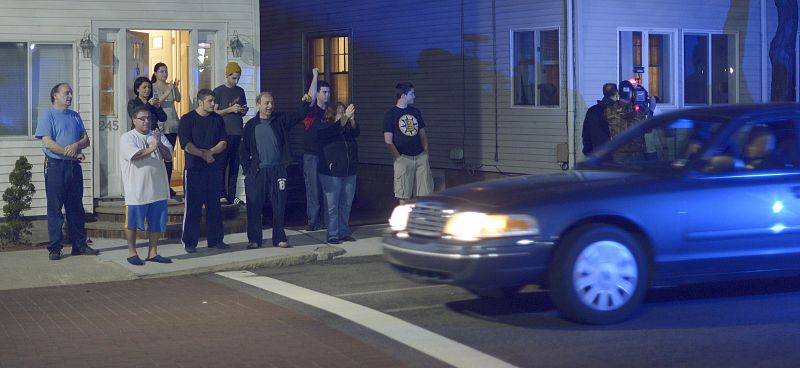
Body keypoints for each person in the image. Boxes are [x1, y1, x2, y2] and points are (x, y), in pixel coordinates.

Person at [239, 90, 311, 249]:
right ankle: (254, 240)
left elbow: (299, 115)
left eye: (272, 103)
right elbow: (243, 150)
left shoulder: (280, 120)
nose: (270, 106)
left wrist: (305, 102)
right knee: (254, 207)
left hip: (278, 171)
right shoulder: (251, 126)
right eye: (266, 103)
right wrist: (247, 169)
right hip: (257, 172)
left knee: (279, 206)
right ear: (258, 104)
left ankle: (279, 238)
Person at [35, 83, 98, 260]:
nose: (69, 96)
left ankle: (79, 245)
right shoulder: (48, 116)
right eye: (66, 93)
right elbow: (47, 142)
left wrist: (77, 146)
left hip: (73, 168)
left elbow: (85, 140)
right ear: (55, 95)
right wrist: (69, 153)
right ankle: (55, 247)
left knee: (76, 207)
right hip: (56, 166)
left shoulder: (75, 116)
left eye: (70, 93)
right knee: (55, 208)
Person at [119, 106, 174, 265]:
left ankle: (153, 252)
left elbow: (169, 157)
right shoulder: (127, 137)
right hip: (137, 190)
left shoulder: (157, 135)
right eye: (142, 118)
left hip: (157, 189)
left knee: (156, 223)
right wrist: (152, 147)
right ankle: (132, 252)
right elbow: (135, 156)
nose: (146, 121)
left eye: (148, 118)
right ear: (133, 120)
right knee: (132, 224)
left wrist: (159, 144)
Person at [178, 89, 228, 253]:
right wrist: (202, 154)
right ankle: (190, 242)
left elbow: (223, 142)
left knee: (214, 205)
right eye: (210, 101)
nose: (214, 104)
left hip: (213, 168)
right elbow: (186, 144)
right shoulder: (187, 119)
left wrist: (211, 152)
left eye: (214, 101)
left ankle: (215, 239)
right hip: (194, 169)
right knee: (193, 206)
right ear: (200, 102)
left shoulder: (217, 120)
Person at [383, 82, 433, 204]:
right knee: (404, 195)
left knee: (424, 193)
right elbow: (388, 140)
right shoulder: (391, 115)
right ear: (404, 95)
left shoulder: (415, 112)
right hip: (403, 158)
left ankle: (420, 220)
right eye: (412, 93)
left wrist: (425, 153)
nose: (414, 96)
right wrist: (399, 158)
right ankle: (404, 221)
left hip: (420, 157)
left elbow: (423, 134)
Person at [317, 102, 359, 244]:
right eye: (341, 111)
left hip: (349, 171)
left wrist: (352, 119)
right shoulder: (325, 127)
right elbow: (334, 130)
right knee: (332, 205)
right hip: (331, 172)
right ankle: (333, 234)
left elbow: (356, 132)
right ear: (333, 114)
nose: (344, 114)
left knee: (346, 203)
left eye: (344, 111)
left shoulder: (345, 128)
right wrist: (346, 117)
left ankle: (343, 232)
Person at [214, 62, 249, 205]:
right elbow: (214, 112)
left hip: (237, 131)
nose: (236, 81)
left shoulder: (240, 91)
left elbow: (243, 109)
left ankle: (232, 194)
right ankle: (221, 193)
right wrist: (229, 110)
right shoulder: (218, 91)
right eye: (234, 78)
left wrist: (243, 110)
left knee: (235, 165)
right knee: (222, 163)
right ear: (227, 75)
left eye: (238, 78)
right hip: (224, 132)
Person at [301, 68, 328, 230]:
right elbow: (309, 99)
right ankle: (313, 220)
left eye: (328, 92)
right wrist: (315, 76)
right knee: (313, 188)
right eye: (324, 92)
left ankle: (326, 219)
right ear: (318, 93)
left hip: (327, 154)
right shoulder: (312, 112)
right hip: (311, 154)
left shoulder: (330, 112)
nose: (327, 95)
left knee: (327, 189)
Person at [151, 62, 181, 199]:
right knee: (160, 156)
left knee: (169, 156)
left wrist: (175, 88)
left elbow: (178, 99)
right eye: (162, 71)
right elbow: (157, 103)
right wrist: (168, 91)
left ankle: (167, 186)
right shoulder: (152, 87)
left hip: (173, 123)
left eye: (166, 71)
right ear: (156, 73)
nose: (164, 74)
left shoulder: (170, 85)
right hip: (161, 124)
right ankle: (159, 187)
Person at [605, 80, 648, 162]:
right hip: (637, 154)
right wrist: (651, 109)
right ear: (632, 93)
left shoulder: (609, 110)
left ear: (618, 93)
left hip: (618, 153)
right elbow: (648, 128)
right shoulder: (640, 111)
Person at [581, 83, 617, 155]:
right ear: (616, 93)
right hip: (614, 155)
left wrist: (588, 151)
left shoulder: (592, 111)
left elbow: (586, 133)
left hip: (596, 155)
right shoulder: (618, 111)